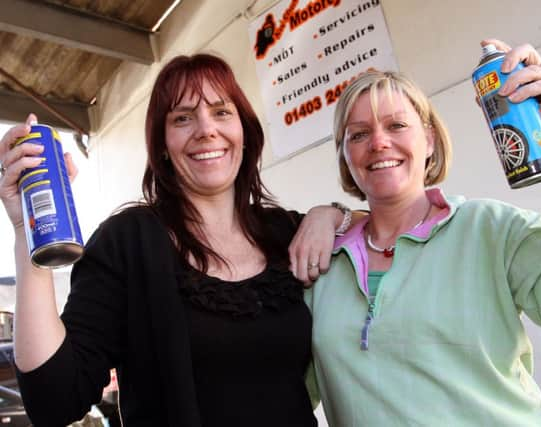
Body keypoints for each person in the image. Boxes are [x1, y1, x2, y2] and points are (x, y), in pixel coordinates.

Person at [0, 53, 350, 426]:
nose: (206, 129)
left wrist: (334, 214)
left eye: (221, 112)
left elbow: (392, 230)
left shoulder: (285, 233)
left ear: (244, 132)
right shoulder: (127, 243)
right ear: (163, 145)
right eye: (183, 118)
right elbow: (54, 401)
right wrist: (27, 237)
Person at [304, 39, 541, 426]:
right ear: (345, 153)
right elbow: (282, 390)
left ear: (428, 140)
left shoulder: (491, 230)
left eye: (396, 125)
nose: (378, 142)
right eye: (358, 134)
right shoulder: (321, 266)